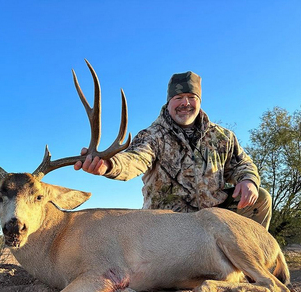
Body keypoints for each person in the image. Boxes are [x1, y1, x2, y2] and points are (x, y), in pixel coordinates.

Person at [74, 71, 272, 230]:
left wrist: (248, 181)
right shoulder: (152, 136)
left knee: (260, 198)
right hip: (166, 226)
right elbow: (135, 160)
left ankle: (251, 263)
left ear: (199, 102)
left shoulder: (223, 137)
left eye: (191, 97)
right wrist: (108, 165)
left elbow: (243, 164)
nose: (185, 103)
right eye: (178, 97)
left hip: (211, 222)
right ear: (169, 102)